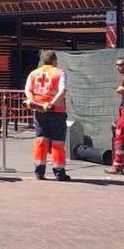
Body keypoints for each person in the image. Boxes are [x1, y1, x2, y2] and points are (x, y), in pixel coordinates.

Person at [24, 50, 71, 181]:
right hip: (56, 111)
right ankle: (59, 172)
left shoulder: (34, 73)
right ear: (55, 60)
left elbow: (28, 89)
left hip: (39, 110)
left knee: (40, 139)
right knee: (57, 141)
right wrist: (52, 103)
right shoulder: (59, 73)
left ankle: (39, 171)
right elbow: (62, 90)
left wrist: (32, 100)